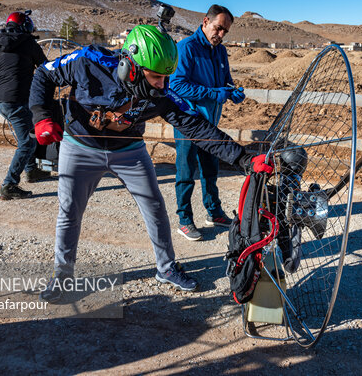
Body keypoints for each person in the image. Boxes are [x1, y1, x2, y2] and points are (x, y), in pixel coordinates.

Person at [28, 23, 272, 302]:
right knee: (69, 211)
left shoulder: (163, 93)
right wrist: (42, 116)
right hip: (81, 146)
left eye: (165, 77)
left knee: (154, 206)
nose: (162, 84)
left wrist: (244, 159)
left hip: (129, 149)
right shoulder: (88, 60)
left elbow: (197, 127)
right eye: (156, 77)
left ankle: (166, 268)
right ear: (130, 67)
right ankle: (62, 276)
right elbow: (42, 75)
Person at [169, 5, 245, 241]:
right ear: (205, 22)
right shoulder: (186, 48)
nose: (221, 35)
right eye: (218, 28)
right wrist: (214, 93)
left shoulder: (220, 52)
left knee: (210, 170)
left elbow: (225, 81)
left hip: (210, 123)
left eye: (225, 32)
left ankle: (214, 212)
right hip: (189, 122)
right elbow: (176, 84)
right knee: (185, 172)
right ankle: (184, 220)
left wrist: (232, 92)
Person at [0, 10, 52, 200]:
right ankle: (9, 185)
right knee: (27, 142)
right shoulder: (28, 42)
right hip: (17, 99)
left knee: (31, 132)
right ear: (24, 26)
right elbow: (45, 68)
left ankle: (32, 171)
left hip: (0, 99)